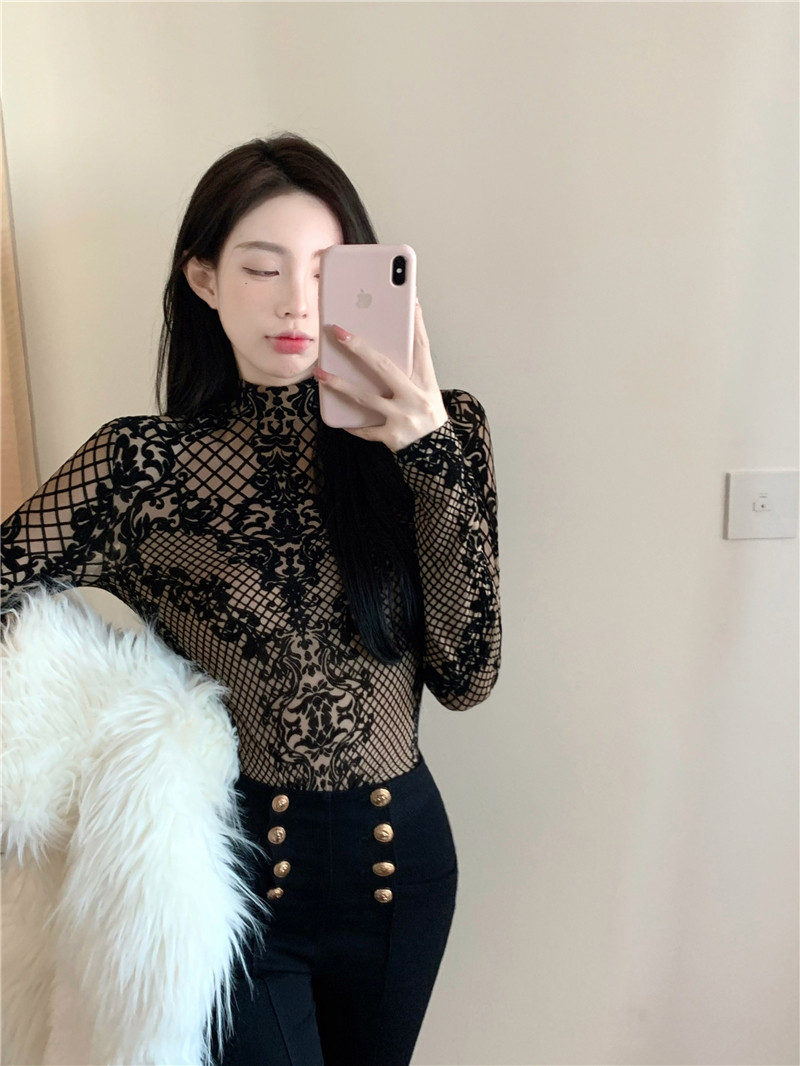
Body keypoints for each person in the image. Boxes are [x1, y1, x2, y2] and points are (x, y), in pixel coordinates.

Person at [0, 132, 501, 1066]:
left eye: (323, 270)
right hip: (229, 880)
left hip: (401, 867)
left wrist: (428, 456)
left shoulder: (448, 435)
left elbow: (469, 677)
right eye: (263, 269)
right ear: (205, 279)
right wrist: (114, 723)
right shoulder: (141, 464)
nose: (295, 302)